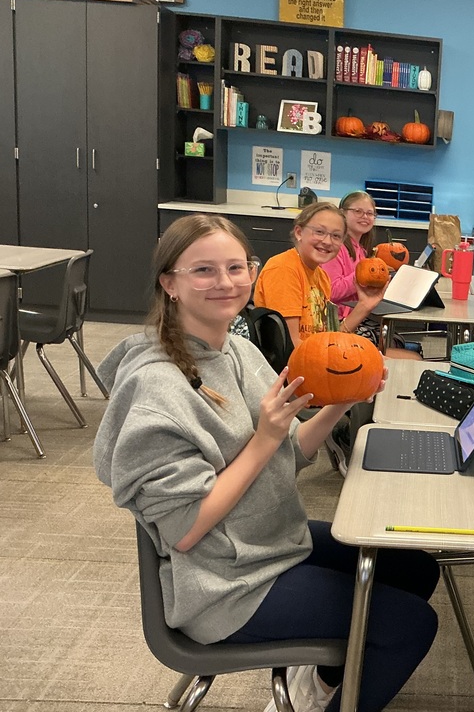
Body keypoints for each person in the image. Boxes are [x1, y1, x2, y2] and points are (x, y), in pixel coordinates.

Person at [93, 214, 439, 712]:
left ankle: (315, 688)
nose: (226, 282)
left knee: (414, 569)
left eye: (236, 267)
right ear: (169, 283)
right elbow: (184, 530)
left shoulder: (237, 349)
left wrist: (345, 398)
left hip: (264, 539)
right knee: (410, 625)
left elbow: (292, 450)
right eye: (204, 271)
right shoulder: (156, 389)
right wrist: (263, 439)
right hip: (223, 583)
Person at [322, 190, 420, 360]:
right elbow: (330, 291)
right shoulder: (337, 248)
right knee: (408, 353)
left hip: (356, 316)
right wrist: (362, 276)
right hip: (338, 322)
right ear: (342, 213)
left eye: (370, 213)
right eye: (358, 211)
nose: (365, 217)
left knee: (398, 340)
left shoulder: (361, 250)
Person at [253, 201, 345, 348]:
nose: (327, 241)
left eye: (336, 236)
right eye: (319, 232)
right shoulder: (283, 268)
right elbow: (290, 345)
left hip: (317, 356)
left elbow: (326, 337)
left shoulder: (322, 277)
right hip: (291, 366)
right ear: (299, 232)